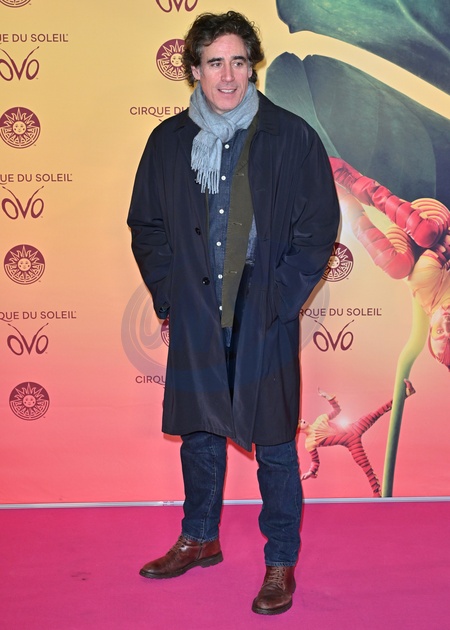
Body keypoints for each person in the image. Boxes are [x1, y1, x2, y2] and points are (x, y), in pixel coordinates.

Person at [127, 11, 340, 616]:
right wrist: (170, 295)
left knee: (273, 441)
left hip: (262, 313)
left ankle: (281, 561)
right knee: (199, 434)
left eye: (239, 61)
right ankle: (200, 538)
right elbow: (147, 225)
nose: (228, 75)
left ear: (253, 67)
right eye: (215, 62)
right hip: (196, 310)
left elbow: (319, 227)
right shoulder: (168, 142)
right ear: (194, 70)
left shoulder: (291, 136)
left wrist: (280, 298)